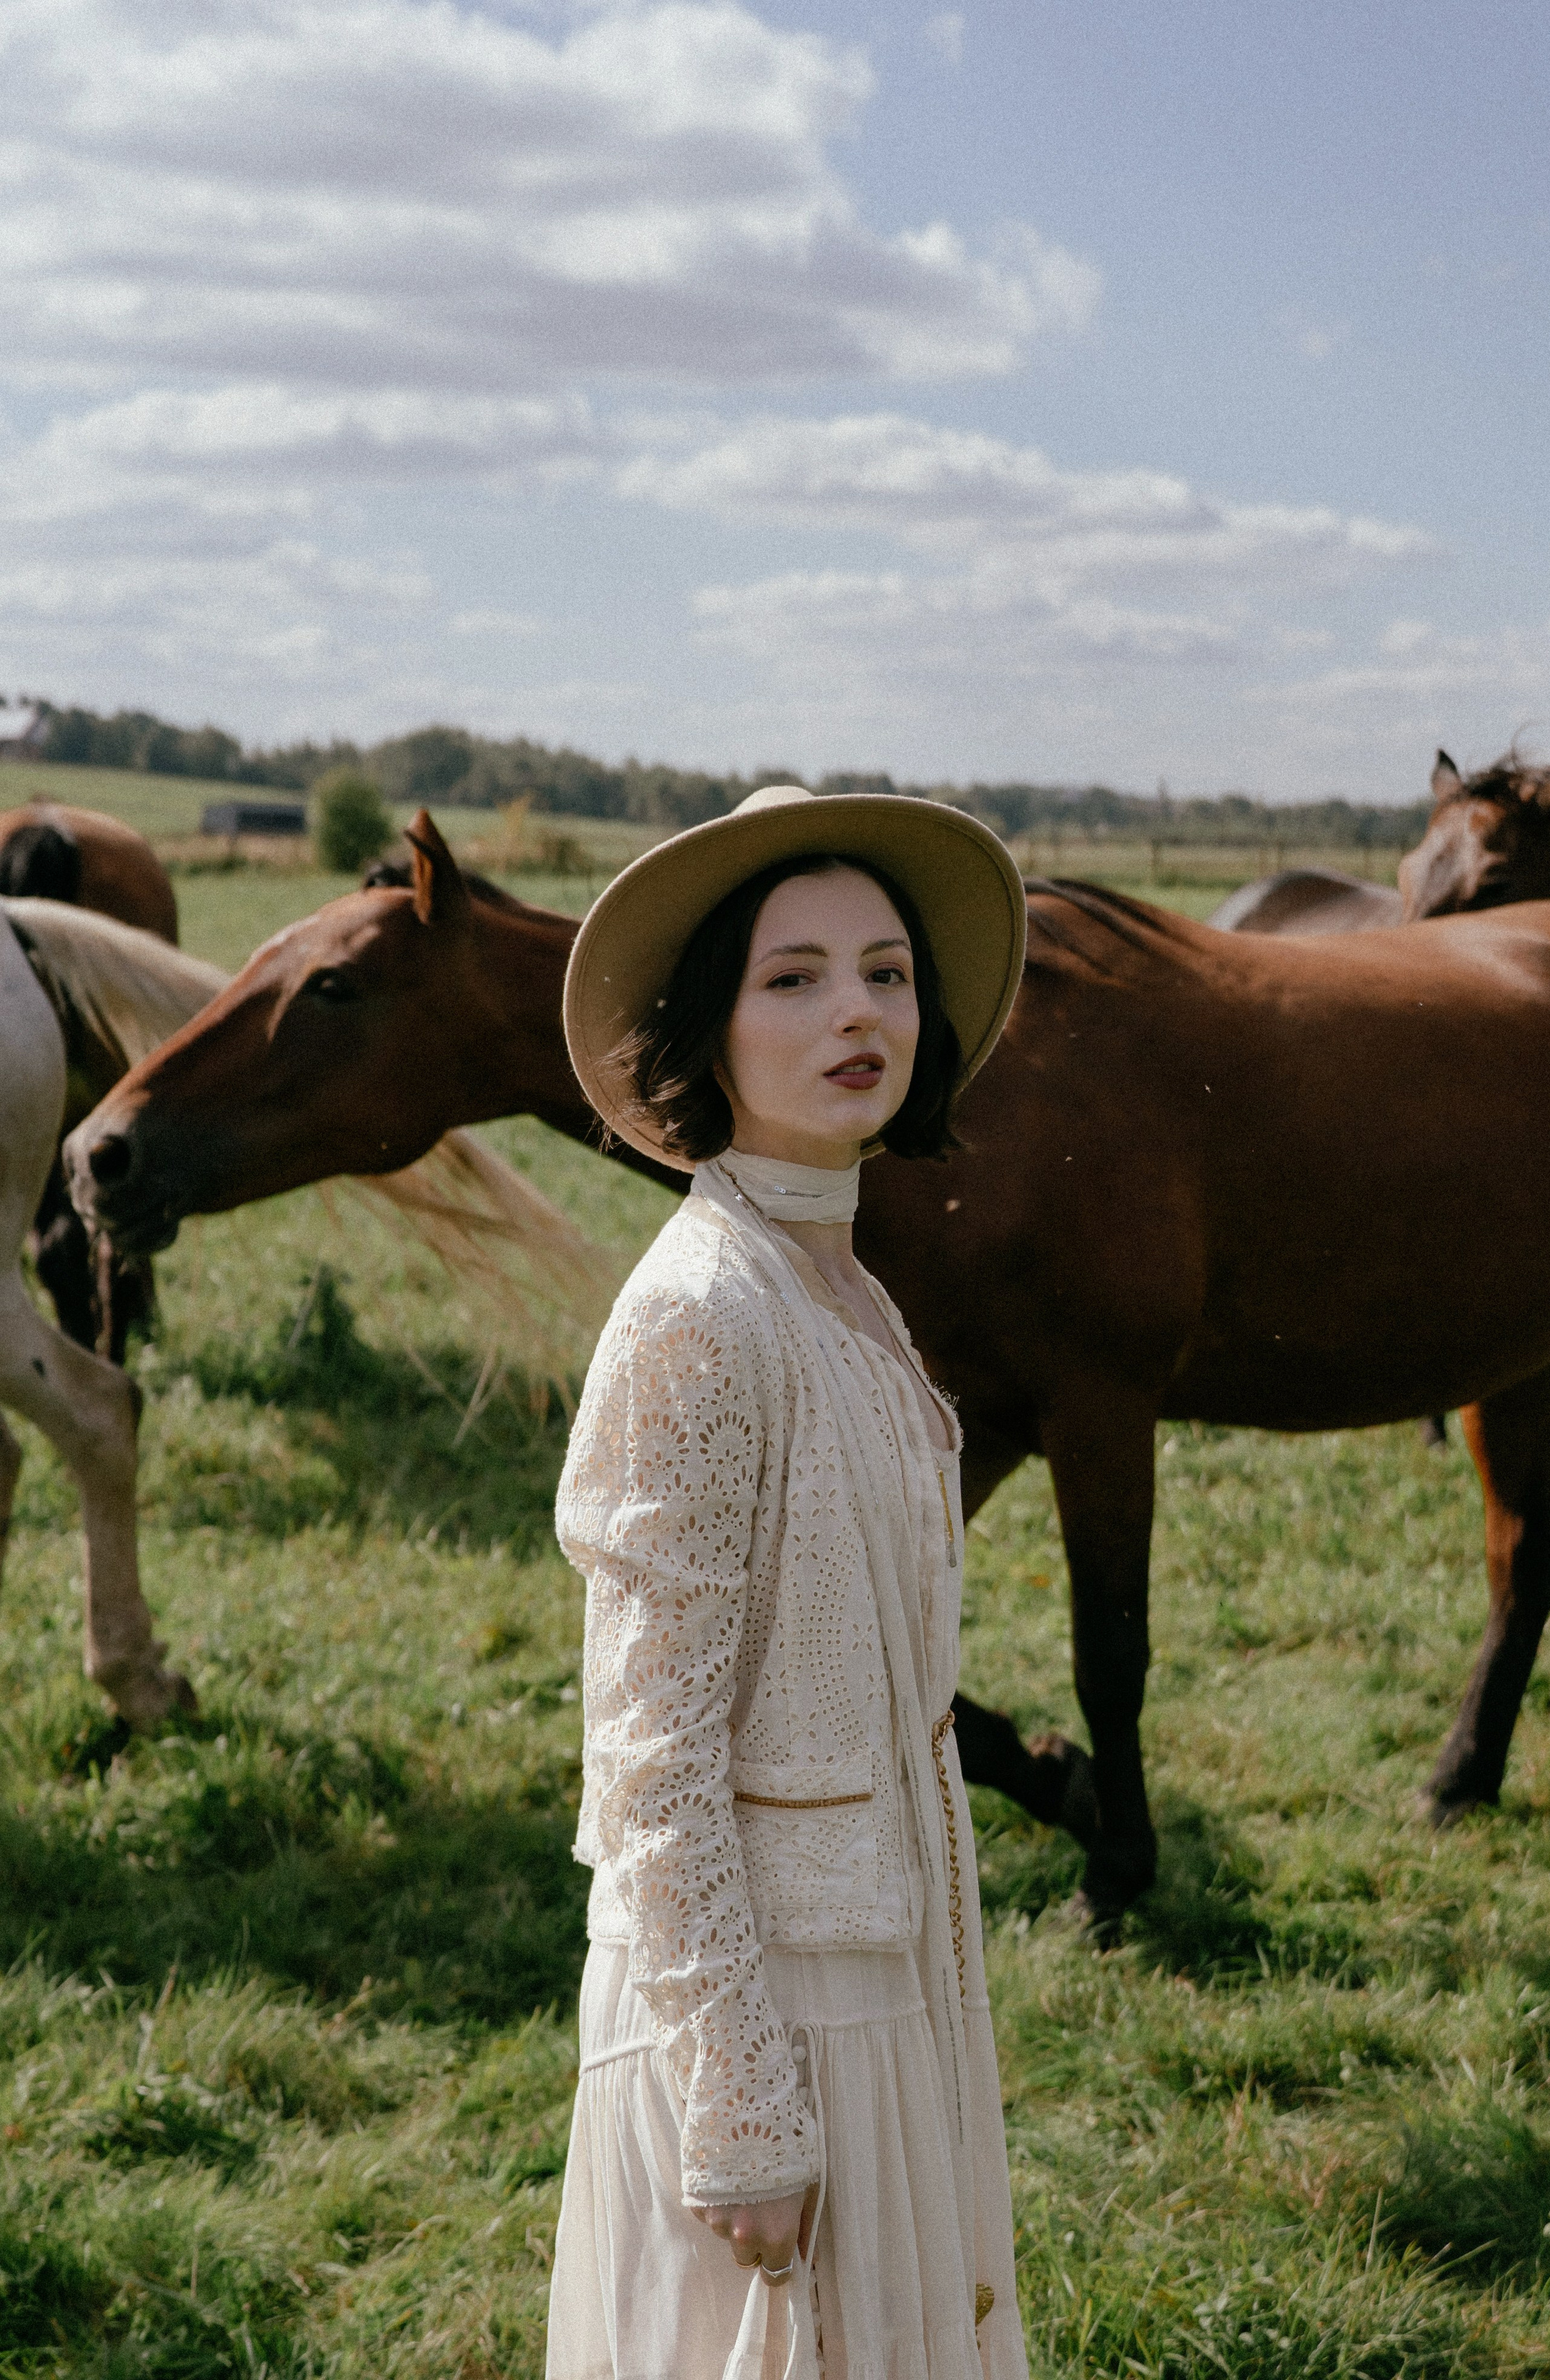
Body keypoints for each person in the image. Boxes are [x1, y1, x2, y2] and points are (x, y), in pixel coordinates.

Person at [547, 785, 1029, 2379]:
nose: (857, 1011)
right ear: (709, 1026)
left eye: (887, 973)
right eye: (794, 976)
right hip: (766, 2015)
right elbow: (649, 1752)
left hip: (880, 1977)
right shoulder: (701, 1309)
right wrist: (739, 2101)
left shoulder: (836, 1282)